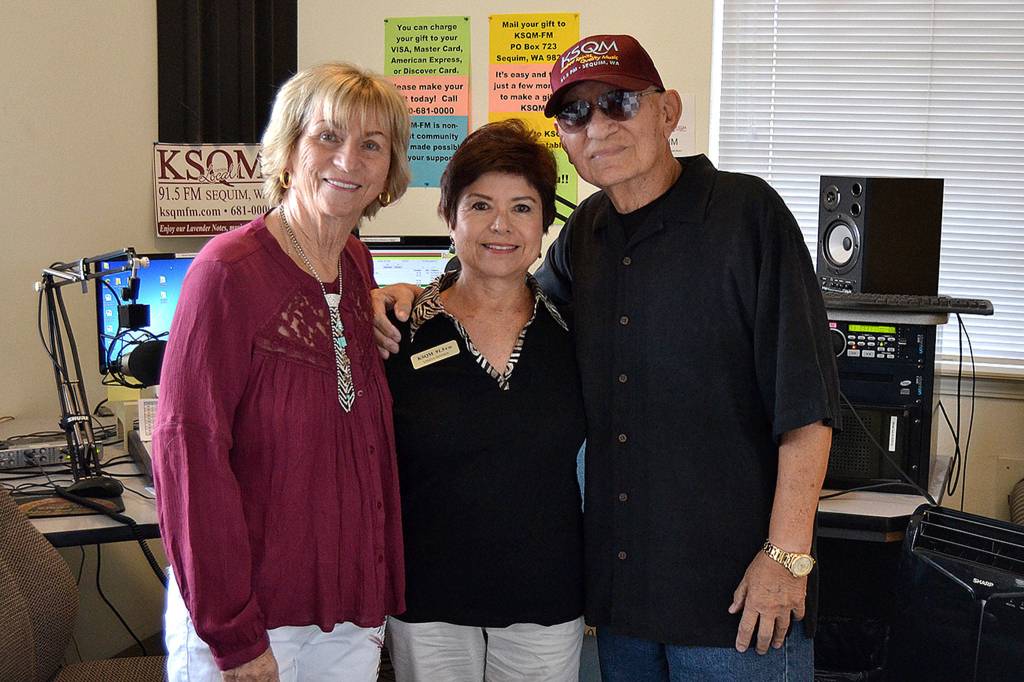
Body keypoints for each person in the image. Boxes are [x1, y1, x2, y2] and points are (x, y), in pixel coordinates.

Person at [374, 35, 839, 681]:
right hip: (623, 605)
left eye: (619, 102)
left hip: (737, 595)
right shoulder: (585, 236)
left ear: (668, 111)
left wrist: (788, 556)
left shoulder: (746, 216)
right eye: (575, 114)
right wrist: (405, 294)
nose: (598, 126)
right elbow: (503, 294)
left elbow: (807, 405)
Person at [153, 62, 410, 682]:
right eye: (328, 136)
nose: (349, 159)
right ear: (289, 151)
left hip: (344, 609)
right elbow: (188, 455)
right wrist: (236, 639)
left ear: (388, 172)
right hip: (250, 621)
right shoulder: (228, 272)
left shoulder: (354, 262)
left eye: (372, 144)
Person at [383, 118, 587, 682]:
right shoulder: (399, 327)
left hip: (545, 601)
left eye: (522, 207)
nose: (502, 225)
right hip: (427, 599)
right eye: (479, 206)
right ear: (449, 216)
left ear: (545, 222)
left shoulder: (576, 333)